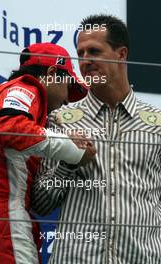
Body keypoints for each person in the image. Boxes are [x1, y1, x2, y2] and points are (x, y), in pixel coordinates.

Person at [31, 15, 161, 264]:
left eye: (95, 51)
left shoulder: (156, 123)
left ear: (121, 54)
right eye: (80, 53)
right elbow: (41, 203)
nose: (85, 61)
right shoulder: (60, 121)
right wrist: (69, 162)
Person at [0, 42, 96, 264]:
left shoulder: (25, 99)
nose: (66, 99)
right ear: (52, 73)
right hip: (1, 218)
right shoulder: (26, 87)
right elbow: (8, 126)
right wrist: (72, 149)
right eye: (68, 87)